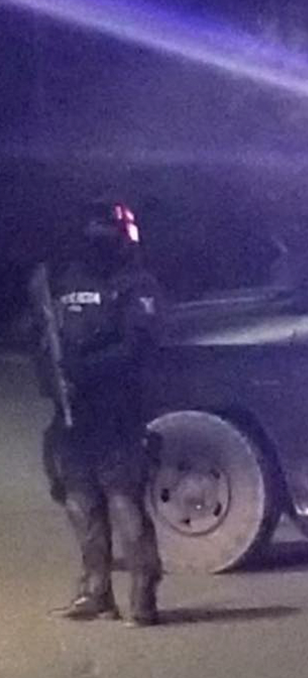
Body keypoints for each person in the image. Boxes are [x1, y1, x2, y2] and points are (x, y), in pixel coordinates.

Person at [33, 199, 163, 627]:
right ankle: (96, 592)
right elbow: (44, 336)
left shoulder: (137, 284)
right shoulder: (66, 281)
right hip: (73, 413)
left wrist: (86, 369)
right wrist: (52, 372)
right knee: (80, 500)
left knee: (123, 498)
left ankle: (142, 599)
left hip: (118, 410)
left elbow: (138, 347)